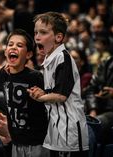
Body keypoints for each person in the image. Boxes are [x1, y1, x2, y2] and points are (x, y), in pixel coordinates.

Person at [0, 29, 49, 157]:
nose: (13, 47)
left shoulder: (36, 77)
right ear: (5, 52)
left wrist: (43, 95)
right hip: (16, 142)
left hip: (37, 143)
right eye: (10, 44)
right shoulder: (3, 74)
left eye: (19, 45)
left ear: (28, 55)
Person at [28, 12, 89, 157]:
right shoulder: (49, 59)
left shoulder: (63, 58)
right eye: (36, 32)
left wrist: (40, 97)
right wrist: (42, 93)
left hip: (70, 129)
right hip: (56, 127)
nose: (37, 37)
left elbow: (61, 95)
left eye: (43, 32)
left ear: (58, 37)